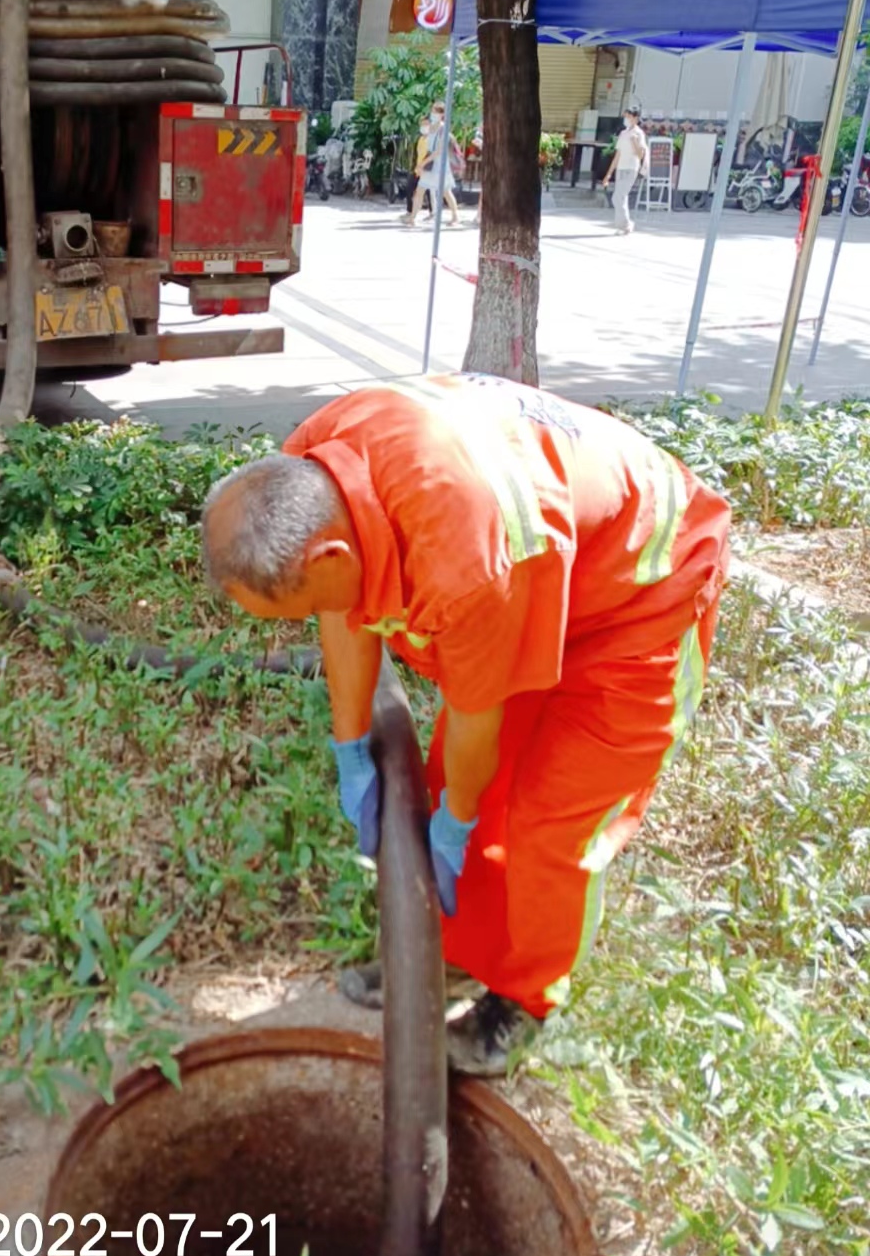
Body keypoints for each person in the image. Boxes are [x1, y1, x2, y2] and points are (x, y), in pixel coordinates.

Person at [201, 375, 731, 1076]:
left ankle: (525, 1001)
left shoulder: (467, 563)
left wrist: (452, 825)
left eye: (293, 613)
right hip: (541, 567)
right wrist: (350, 745)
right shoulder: (313, 463)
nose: (309, 621)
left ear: (332, 557)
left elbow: (476, 718)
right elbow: (341, 607)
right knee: (461, 784)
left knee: (549, 825)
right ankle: (450, 960)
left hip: (640, 593)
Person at [601, 105, 647, 234]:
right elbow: (618, 155)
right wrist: (608, 174)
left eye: (629, 116)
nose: (626, 118)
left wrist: (634, 141)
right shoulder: (623, 133)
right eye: (625, 116)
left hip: (631, 168)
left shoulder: (638, 133)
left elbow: (640, 155)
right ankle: (623, 226)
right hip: (621, 168)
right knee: (621, 197)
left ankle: (626, 224)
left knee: (618, 197)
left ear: (635, 118)